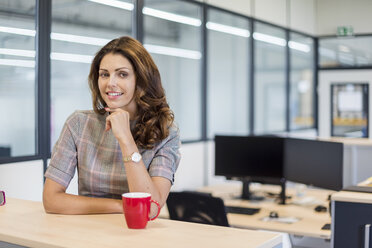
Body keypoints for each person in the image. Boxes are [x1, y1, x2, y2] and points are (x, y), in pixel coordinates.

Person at [43, 36, 181, 215]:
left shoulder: (166, 133)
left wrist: (126, 140)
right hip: (87, 233)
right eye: (104, 74)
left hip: (137, 236)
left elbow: (151, 208)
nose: (110, 83)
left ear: (140, 80)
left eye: (122, 74)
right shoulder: (79, 123)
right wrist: (123, 206)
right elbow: (51, 200)